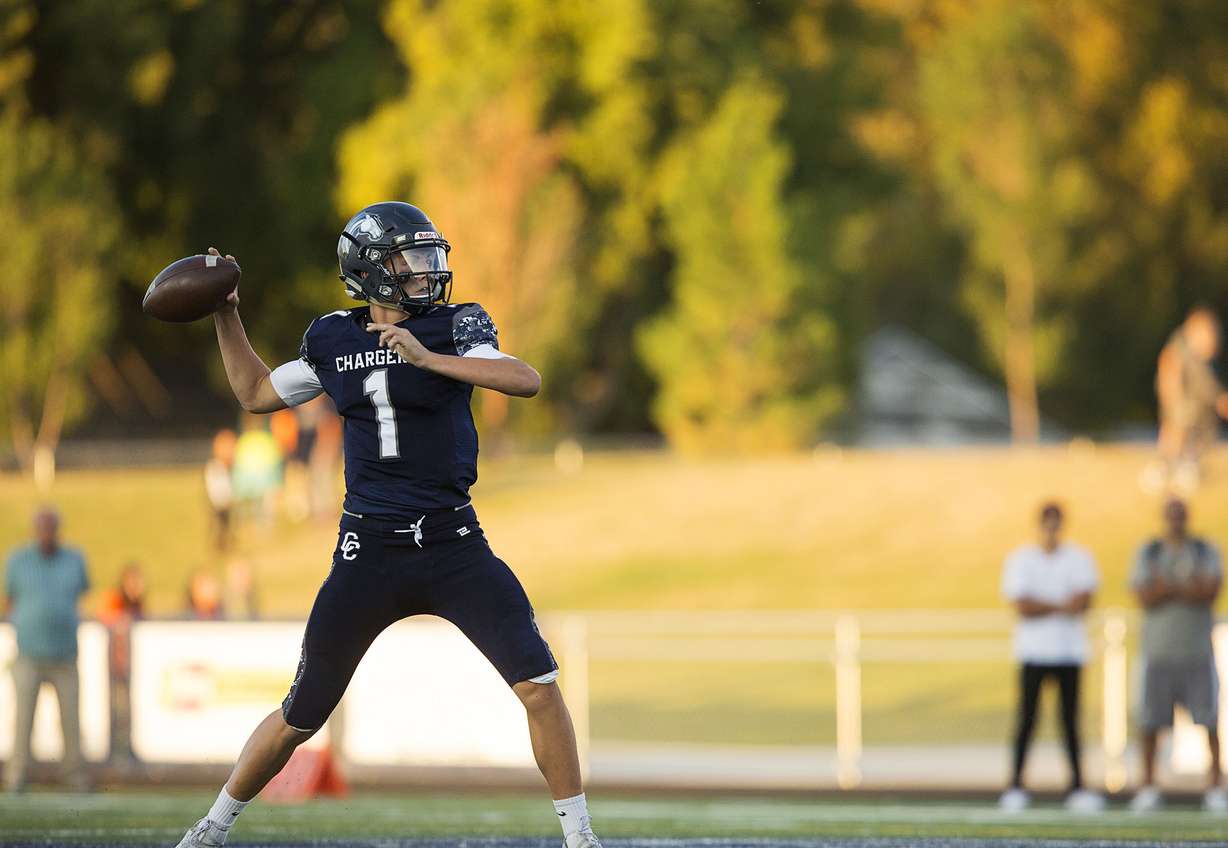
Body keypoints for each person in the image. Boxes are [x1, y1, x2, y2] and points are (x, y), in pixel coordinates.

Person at [175, 202, 601, 848]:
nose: (427, 271)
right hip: (368, 550)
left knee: (539, 686)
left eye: (429, 257)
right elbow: (256, 393)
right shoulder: (333, 338)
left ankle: (580, 838)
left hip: (453, 542)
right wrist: (225, 314)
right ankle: (210, 828)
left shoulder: (457, 325)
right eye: (410, 260)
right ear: (371, 271)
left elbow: (524, 378)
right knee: (301, 713)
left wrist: (430, 360)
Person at [998, 502, 1101, 812]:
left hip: (1069, 652)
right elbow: (1023, 606)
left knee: (1070, 721)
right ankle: (1016, 785)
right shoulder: (1021, 559)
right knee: (1027, 720)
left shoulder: (1079, 558)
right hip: (1034, 651)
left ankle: (1077, 786)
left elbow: (1084, 601)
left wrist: (1045, 604)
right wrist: (1060, 605)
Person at [1128, 498, 1225, 812]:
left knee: (1208, 719)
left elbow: (1209, 590)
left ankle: (1215, 786)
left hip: (1196, 650)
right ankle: (1148, 785)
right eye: (1171, 515)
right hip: (1159, 651)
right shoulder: (1150, 551)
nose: (1176, 521)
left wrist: (1167, 586)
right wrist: (1184, 587)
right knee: (1150, 721)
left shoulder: (1204, 550)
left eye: (1180, 515)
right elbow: (1145, 594)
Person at [2, 507, 91, 793]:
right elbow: (8, 599)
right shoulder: (18, 560)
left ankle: (75, 778)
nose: (46, 534)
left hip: (65, 653)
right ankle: (16, 777)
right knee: (23, 719)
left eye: (51, 528)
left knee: (71, 720)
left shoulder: (74, 559)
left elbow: (83, 593)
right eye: (42, 527)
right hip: (29, 652)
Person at [1153, 307, 1228, 491]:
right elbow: (1169, 370)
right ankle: (1165, 467)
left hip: (1195, 403)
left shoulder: (1200, 359)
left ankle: (1186, 464)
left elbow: (1207, 383)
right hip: (1179, 401)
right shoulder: (1179, 348)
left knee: (1199, 432)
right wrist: (1173, 400)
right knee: (1176, 431)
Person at [97, 562, 146, 767]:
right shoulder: (115, 600)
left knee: (127, 709)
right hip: (116, 664)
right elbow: (107, 620)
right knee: (117, 709)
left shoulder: (137, 604)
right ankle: (116, 751)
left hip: (129, 665)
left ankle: (126, 749)